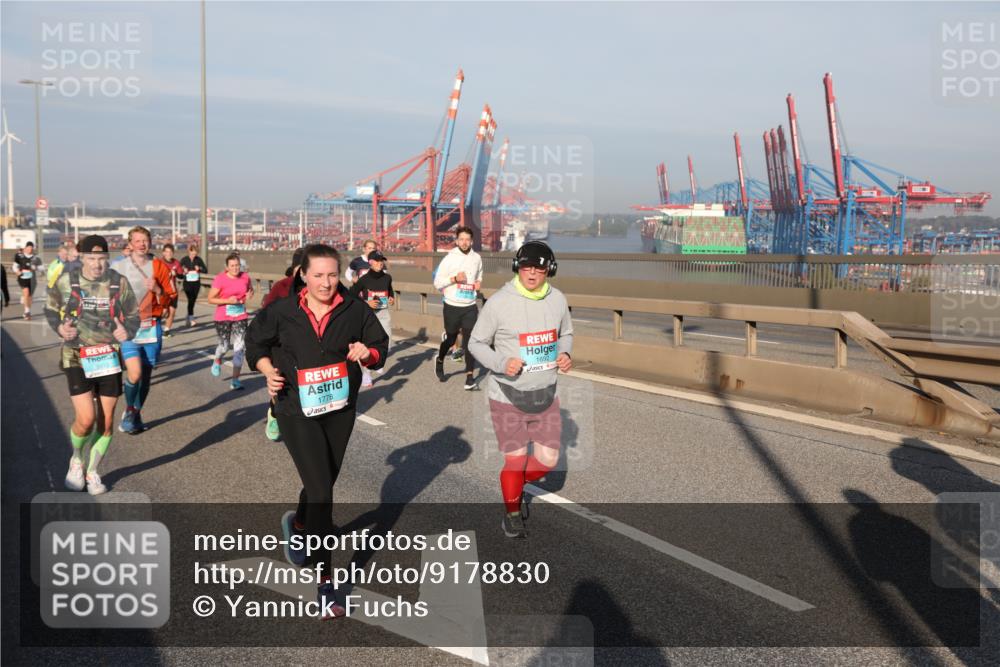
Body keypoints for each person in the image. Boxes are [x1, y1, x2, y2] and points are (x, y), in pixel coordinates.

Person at [246, 243, 389, 619]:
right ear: (303, 276)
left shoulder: (354, 309)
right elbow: (254, 342)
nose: (326, 282)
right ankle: (326, 582)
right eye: (318, 275)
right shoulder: (282, 311)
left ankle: (300, 522)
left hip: (339, 408)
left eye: (332, 274)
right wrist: (266, 369)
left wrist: (366, 354)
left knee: (320, 481)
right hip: (295, 407)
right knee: (324, 489)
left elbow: (380, 347)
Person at [468, 241, 573, 538]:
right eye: (526, 267)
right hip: (507, 395)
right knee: (514, 460)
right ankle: (512, 513)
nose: (532, 273)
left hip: (546, 393)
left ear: (549, 270)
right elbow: (475, 343)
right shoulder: (499, 302)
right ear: (517, 267)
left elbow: (566, 333)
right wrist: (501, 362)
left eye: (539, 268)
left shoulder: (558, 300)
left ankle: (510, 483)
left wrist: (565, 354)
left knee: (548, 461)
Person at [45, 235, 140, 494]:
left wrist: (127, 331)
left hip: (108, 355)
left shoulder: (118, 282)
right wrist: (59, 327)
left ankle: (92, 471)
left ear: (107, 259)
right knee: (86, 419)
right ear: (82, 257)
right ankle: (76, 459)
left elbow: (133, 314)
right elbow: (51, 310)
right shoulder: (67, 281)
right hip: (76, 354)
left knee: (106, 422)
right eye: (91, 258)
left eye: (101, 259)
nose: (97, 264)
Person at [110, 226, 177, 434]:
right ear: (130, 244)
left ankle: (136, 412)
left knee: (146, 375)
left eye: (145, 240)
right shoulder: (119, 267)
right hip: (129, 326)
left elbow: (170, 296)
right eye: (137, 241)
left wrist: (158, 290)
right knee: (135, 372)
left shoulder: (159, 267)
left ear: (150, 242)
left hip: (151, 326)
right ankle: (129, 409)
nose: (141, 244)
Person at [259, 247, 305, 442]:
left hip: (305, 346)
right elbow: (266, 314)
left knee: (304, 386)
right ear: (294, 269)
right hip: (280, 346)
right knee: (281, 386)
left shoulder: (315, 287)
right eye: (301, 270)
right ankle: (274, 413)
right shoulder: (281, 287)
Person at [432, 226, 483, 390]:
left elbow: (479, 275)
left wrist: (478, 283)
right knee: (451, 338)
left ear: (472, 241)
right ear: (456, 241)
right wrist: (454, 278)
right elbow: (437, 283)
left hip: (469, 306)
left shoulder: (477, 258)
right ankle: (440, 359)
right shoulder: (449, 258)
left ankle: (469, 378)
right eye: (461, 239)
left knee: (469, 342)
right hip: (452, 306)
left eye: (467, 239)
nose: (464, 242)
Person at [207, 253, 253, 390]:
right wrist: (227, 300)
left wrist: (249, 294)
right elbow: (210, 299)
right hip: (223, 317)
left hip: (240, 316)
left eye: (237, 265)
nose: (235, 268)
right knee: (225, 346)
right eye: (232, 266)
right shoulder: (220, 279)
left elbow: (250, 290)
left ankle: (235, 380)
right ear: (227, 267)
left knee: (239, 348)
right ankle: (217, 359)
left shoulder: (245, 277)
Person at [349, 250, 394, 387]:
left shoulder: (387, 278)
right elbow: (351, 295)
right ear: (370, 262)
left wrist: (391, 298)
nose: (381, 263)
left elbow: (390, 291)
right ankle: (367, 373)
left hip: (383, 312)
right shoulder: (364, 280)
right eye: (378, 261)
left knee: (388, 340)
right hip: (368, 315)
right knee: (369, 345)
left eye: (382, 261)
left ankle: (378, 360)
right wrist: (366, 303)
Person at [12, 241, 43, 320]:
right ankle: (27, 312)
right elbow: (14, 266)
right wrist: (17, 272)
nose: (29, 250)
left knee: (29, 296)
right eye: (28, 248)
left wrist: (36, 268)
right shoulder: (19, 256)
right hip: (22, 277)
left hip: (32, 278)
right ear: (25, 248)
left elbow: (42, 268)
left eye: (31, 248)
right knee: (26, 292)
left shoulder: (36, 258)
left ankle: (27, 308)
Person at [179, 244, 208, 326]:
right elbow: (179, 271)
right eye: (192, 254)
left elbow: (205, 270)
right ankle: (191, 318)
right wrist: (183, 270)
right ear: (189, 252)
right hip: (187, 283)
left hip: (196, 283)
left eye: (195, 254)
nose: (193, 256)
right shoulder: (184, 260)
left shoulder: (198, 260)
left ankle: (188, 317)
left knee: (193, 300)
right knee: (190, 299)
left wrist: (200, 269)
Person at [160, 243, 183, 337]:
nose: (169, 254)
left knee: (172, 311)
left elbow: (181, 276)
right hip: (161, 291)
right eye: (167, 252)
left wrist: (176, 274)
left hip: (173, 292)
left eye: (170, 252)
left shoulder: (176, 263)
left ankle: (166, 331)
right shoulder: (159, 262)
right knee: (162, 312)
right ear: (163, 253)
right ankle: (156, 328)